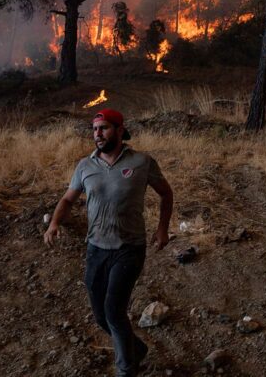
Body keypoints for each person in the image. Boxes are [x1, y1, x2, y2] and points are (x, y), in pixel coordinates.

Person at [44, 108, 173, 377]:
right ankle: (136, 349)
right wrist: (54, 223)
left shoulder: (141, 162)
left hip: (129, 249)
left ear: (119, 129)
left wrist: (163, 229)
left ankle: (126, 369)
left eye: (103, 128)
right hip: (96, 249)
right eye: (94, 129)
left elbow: (166, 194)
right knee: (101, 316)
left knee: (114, 311)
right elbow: (68, 199)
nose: (98, 134)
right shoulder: (85, 165)